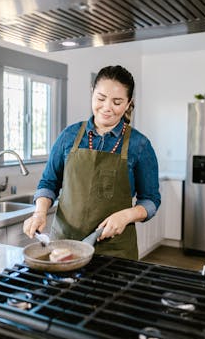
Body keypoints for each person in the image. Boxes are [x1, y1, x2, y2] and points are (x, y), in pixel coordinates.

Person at [23, 65, 161, 260]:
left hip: (115, 251)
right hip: (65, 246)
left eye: (117, 101)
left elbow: (151, 200)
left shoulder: (140, 145)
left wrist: (127, 216)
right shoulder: (69, 135)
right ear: (92, 93)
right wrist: (39, 212)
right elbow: (49, 183)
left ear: (129, 102)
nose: (107, 107)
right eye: (101, 98)